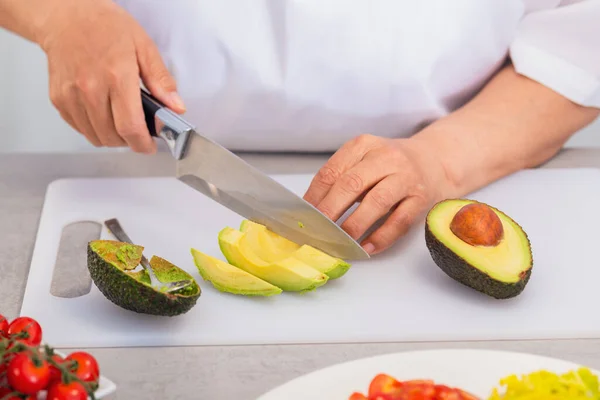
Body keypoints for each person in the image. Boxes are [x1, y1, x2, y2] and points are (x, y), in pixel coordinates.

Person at [1, 1, 599, 256]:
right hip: (148, 168)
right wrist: (61, 15)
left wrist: (444, 160)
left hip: (479, 162)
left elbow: (579, 36)